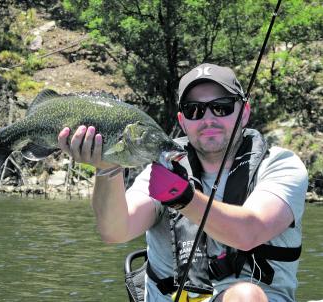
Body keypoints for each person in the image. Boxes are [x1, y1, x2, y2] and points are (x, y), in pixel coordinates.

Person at [58, 63, 308, 302]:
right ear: (182, 120)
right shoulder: (161, 167)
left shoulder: (280, 165)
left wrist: (183, 198)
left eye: (221, 107)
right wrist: (106, 169)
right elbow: (115, 231)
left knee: (245, 297)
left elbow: (249, 233)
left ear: (244, 113)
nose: (208, 118)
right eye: (194, 110)